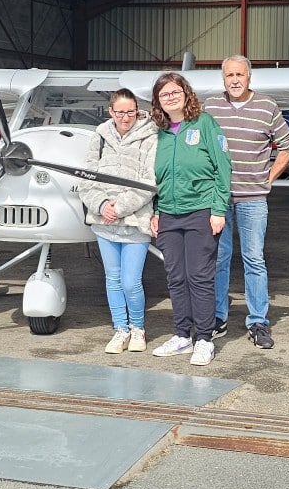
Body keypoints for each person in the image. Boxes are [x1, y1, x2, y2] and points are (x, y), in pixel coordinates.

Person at [202, 55, 289, 349]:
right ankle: (218, 317)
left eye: (239, 75)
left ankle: (258, 320)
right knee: (218, 259)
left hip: (253, 198)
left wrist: (269, 178)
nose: (234, 80)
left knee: (254, 259)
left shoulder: (267, 106)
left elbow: (288, 145)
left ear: (249, 78)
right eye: (229, 75)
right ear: (223, 79)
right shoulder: (210, 106)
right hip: (218, 198)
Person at [148, 73, 231, 367]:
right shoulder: (158, 131)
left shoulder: (205, 124)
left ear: (186, 93)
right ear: (158, 100)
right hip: (169, 213)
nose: (170, 97)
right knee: (175, 277)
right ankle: (182, 335)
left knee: (199, 277)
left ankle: (205, 339)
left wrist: (219, 210)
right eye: (164, 94)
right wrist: (156, 211)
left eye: (175, 92)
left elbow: (224, 168)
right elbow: (154, 177)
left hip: (201, 211)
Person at [79, 89, 157, 354]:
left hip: (135, 221)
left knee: (130, 281)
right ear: (110, 111)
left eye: (131, 112)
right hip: (105, 222)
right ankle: (119, 329)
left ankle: (138, 328)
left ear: (138, 111)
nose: (126, 117)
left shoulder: (150, 137)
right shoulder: (99, 137)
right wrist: (102, 206)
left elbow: (149, 181)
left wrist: (120, 207)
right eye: (120, 112)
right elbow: (86, 177)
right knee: (112, 278)